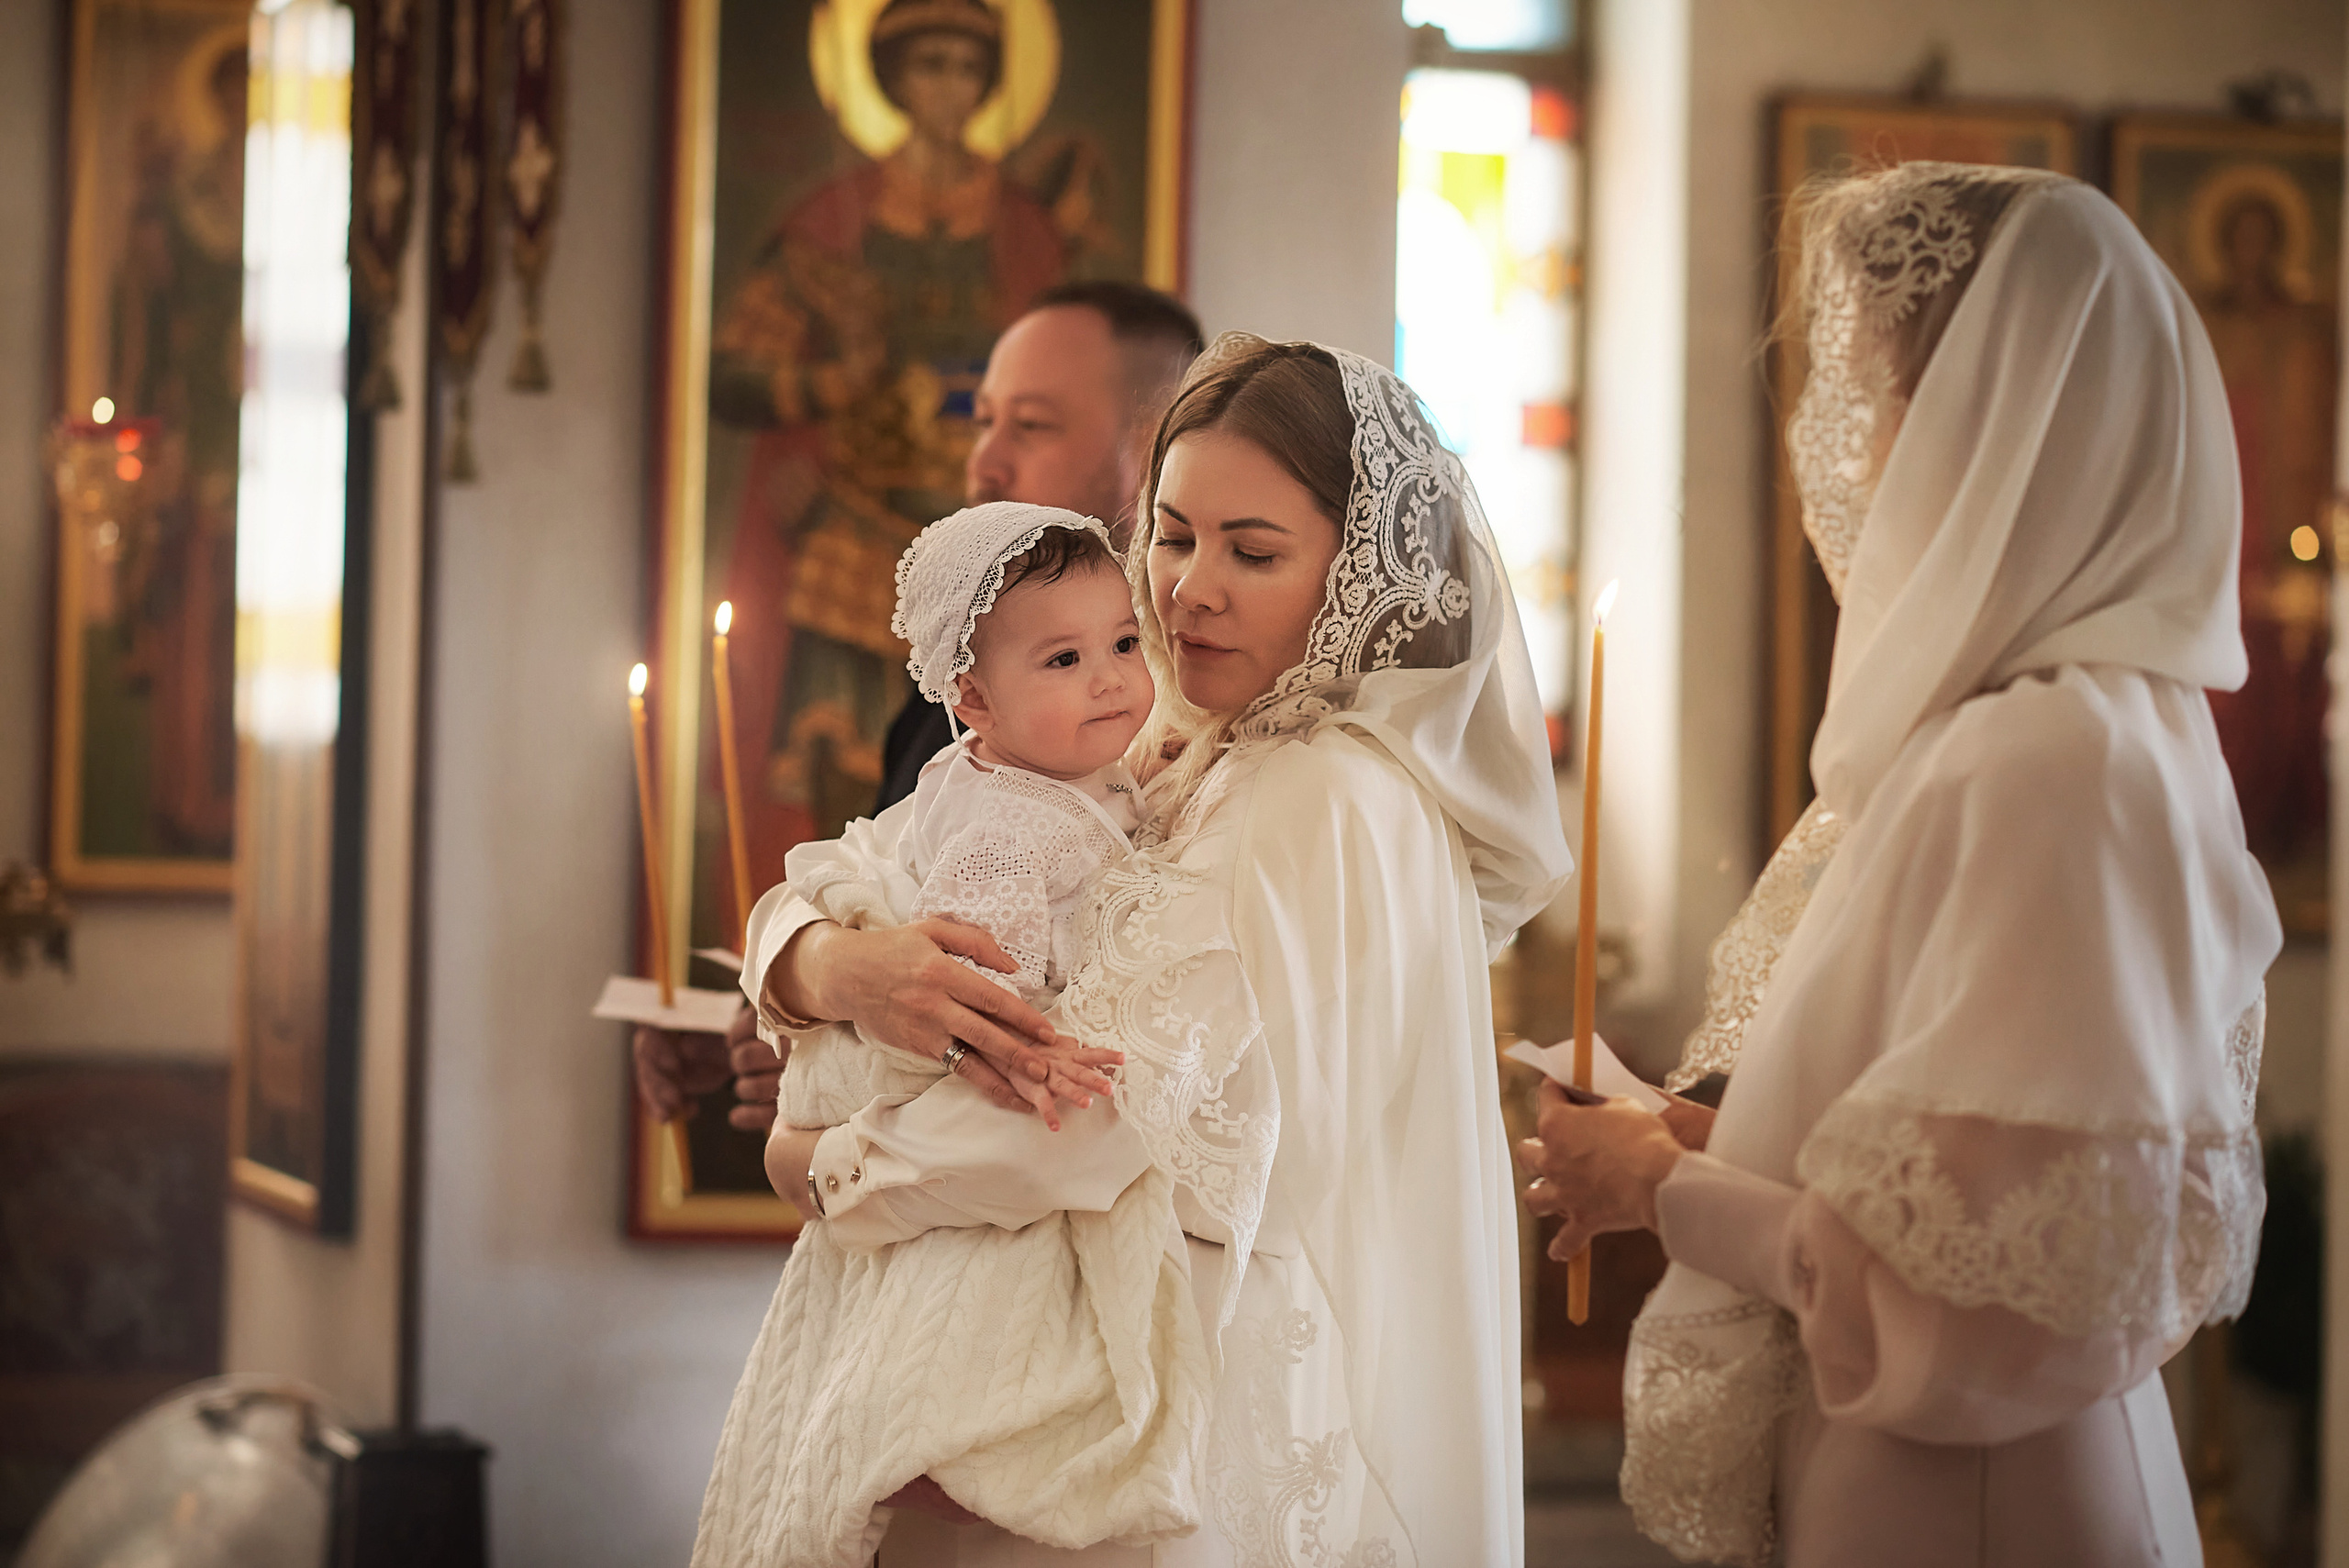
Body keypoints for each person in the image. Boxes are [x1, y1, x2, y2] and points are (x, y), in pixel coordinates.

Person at [1518, 163, 2279, 1568]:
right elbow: (1958, 1193)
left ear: (2023, 429)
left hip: (1981, 1503)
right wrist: (1678, 1140)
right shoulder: (2049, 736)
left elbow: (1993, 1315)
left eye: (1898, 403)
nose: (1868, 459)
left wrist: (1669, 1192)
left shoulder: (2055, 760)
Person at [741, 334, 1571, 1563]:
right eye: (1173, 536)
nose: (1189, 591)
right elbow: (878, 862)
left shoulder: (1319, 794)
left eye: (1255, 551)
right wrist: (815, 961)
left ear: (1363, 578)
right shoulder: (1195, 756)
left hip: (1195, 1399)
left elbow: (1092, 1113)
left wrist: (818, 1158)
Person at [694, 506, 1206, 1567]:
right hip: (976, 1135)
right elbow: (976, 993)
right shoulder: (1011, 824)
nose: (1111, 678)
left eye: (1123, 642)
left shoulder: (1063, 772)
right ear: (971, 698)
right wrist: (1036, 1039)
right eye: (1064, 658)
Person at [634, 283, 1203, 1136]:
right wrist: (781, 1002)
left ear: (1149, 446)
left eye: (1032, 424)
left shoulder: (1188, 701)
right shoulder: (962, 697)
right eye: (983, 421)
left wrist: (822, 1131)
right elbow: (879, 882)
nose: (984, 462)